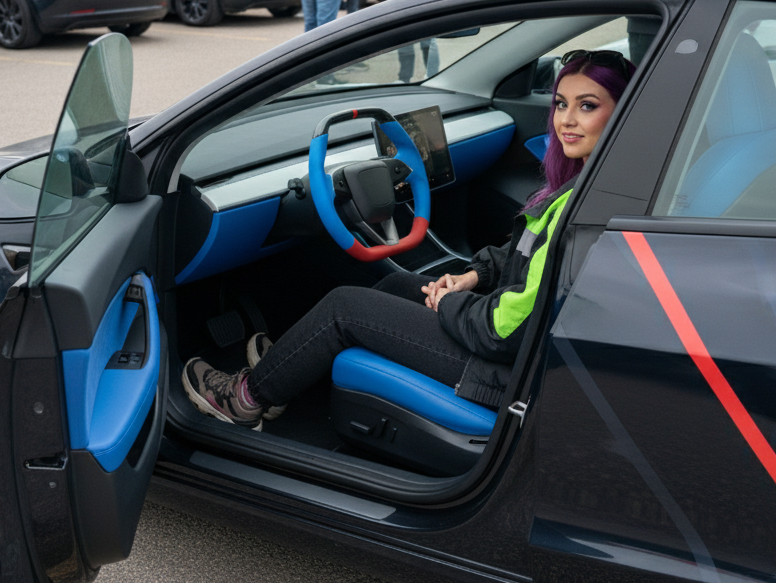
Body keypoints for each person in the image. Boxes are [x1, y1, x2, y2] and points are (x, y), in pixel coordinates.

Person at [181, 49, 635, 428]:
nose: (566, 121)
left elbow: (505, 329)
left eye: (588, 106)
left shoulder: (584, 209)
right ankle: (289, 369)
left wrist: (449, 304)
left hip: (505, 370)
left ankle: (246, 399)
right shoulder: (591, 183)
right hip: (519, 348)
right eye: (561, 104)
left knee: (344, 306)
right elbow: (521, 253)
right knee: (402, 285)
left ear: (624, 109)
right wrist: (470, 277)